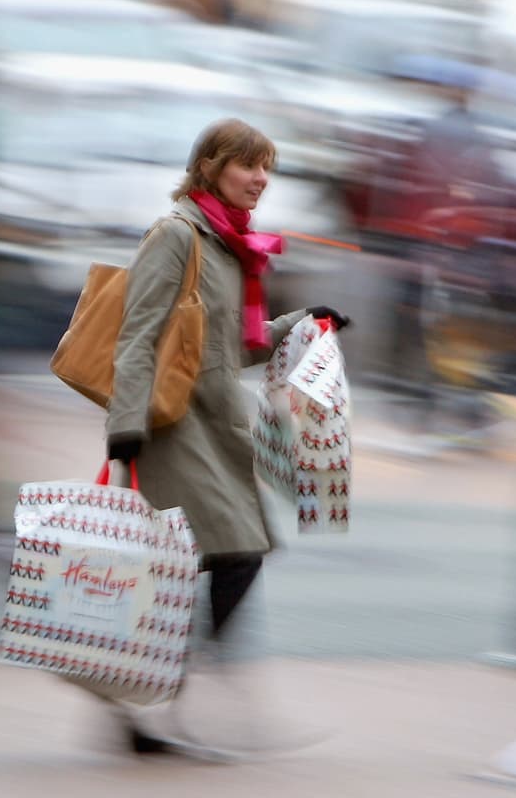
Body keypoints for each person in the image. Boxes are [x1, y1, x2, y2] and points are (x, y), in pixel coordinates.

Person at [105, 118, 348, 758]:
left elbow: (233, 347)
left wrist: (305, 322)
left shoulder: (229, 245)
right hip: (173, 427)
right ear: (210, 166)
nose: (260, 179)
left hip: (214, 425)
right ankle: (190, 694)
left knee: (209, 560)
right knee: (235, 549)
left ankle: (149, 705)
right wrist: (125, 429)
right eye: (247, 165)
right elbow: (137, 335)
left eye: (267, 167)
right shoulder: (177, 235)